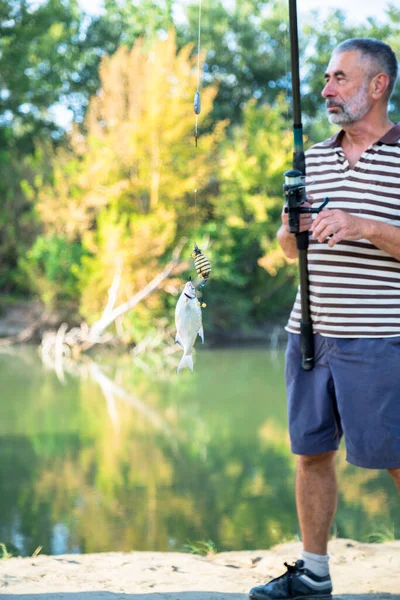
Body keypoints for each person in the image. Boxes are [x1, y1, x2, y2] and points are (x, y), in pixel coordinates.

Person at [249, 38, 400, 600]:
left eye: (339, 78)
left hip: (383, 337)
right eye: (326, 79)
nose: (325, 89)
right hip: (310, 333)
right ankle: (313, 573)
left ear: (377, 85)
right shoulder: (309, 158)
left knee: (396, 457)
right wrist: (290, 235)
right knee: (311, 454)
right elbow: (289, 249)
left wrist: (365, 226)